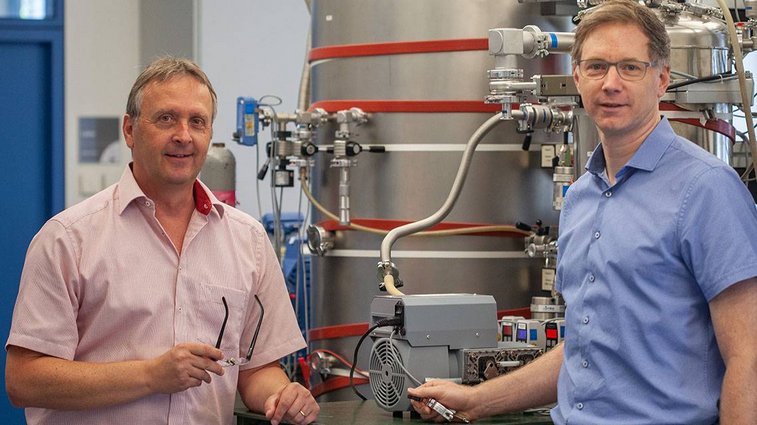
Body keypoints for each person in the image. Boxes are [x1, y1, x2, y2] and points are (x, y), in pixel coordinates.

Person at [409, 1, 757, 423]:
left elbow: (748, 358)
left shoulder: (707, 189)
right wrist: (477, 399)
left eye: (630, 67)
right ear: (577, 77)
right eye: (596, 67)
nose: (610, 83)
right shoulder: (580, 198)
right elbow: (585, 351)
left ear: (662, 78)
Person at [5, 57, 319, 425]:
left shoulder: (247, 240)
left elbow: (255, 370)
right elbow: (24, 379)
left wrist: (283, 397)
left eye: (197, 121)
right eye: (166, 118)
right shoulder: (68, 239)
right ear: (130, 130)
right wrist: (152, 376)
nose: (183, 135)